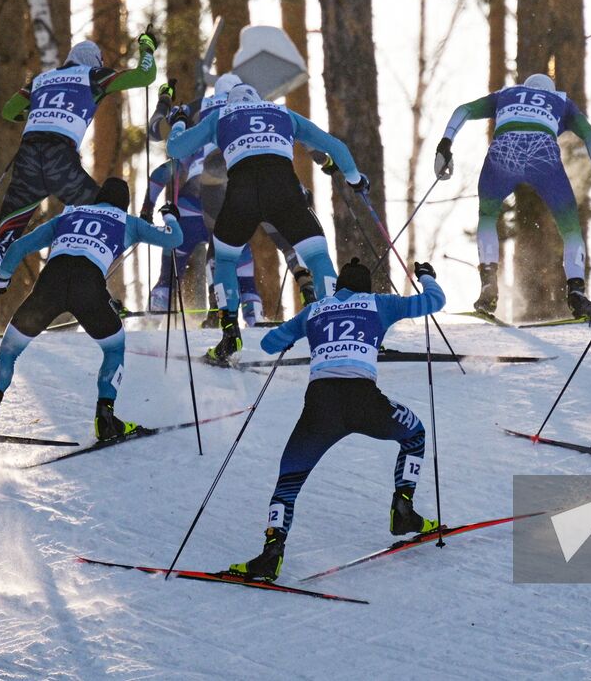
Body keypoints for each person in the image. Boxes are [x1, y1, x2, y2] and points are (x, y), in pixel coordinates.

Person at [221, 258, 446, 580]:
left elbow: (269, 344)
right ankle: (404, 507)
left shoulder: (315, 310)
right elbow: (435, 301)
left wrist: (292, 336)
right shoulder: (379, 303)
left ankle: (272, 553)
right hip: (365, 401)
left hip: (320, 406)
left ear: (338, 286)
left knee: (288, 481)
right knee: (414, 434)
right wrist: (426, 276)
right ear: (366, 287)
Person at [0, 178, 184, 440]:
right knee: (113, 347)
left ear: (98, 199)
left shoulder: (71, 213)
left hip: (50, 284)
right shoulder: (128, 221)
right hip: (87, 287)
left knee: (9, 349)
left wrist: (1, 281)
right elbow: (174, 239)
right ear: (124, 204)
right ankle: (105, 418)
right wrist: (170, 216)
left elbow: (18, 247)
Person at [167, 83, 366, 365]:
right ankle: (333, 325)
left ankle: (229, 330)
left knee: (224, 258)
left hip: (242, 192)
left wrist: (177, 123)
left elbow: (175, 148)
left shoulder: (221, 115)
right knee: (317, 255)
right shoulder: (282, 112)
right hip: (283, 190)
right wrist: (355, 178)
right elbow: (336, 147)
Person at [0, 33, 158, 303]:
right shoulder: (94, 75)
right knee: (103, 213)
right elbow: (145, 77)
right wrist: (147, 47)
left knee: (10, 227)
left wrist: (38, 112)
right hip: (59, 159)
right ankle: (93, 288)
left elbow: (9, 111)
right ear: (95, 61)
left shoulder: (42, 80)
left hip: (27, 157)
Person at [433, 73, 591, 319]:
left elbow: (463, 110)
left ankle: (488, 280)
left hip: (503, 152)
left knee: (487, 214)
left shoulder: (506, 94)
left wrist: (445, 143)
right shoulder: (560, 100)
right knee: (570, 226)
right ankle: (576, 293)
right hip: (542, 155)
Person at [149, 73, 316, 322]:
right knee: (277, 237)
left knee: (215, 243)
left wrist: (165, 99)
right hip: (256, 178)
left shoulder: (197, 106)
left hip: (201, 183)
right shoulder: (260, 108)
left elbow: (155, 130)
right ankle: (292, 291)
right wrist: (301, 189)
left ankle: (183, 302)